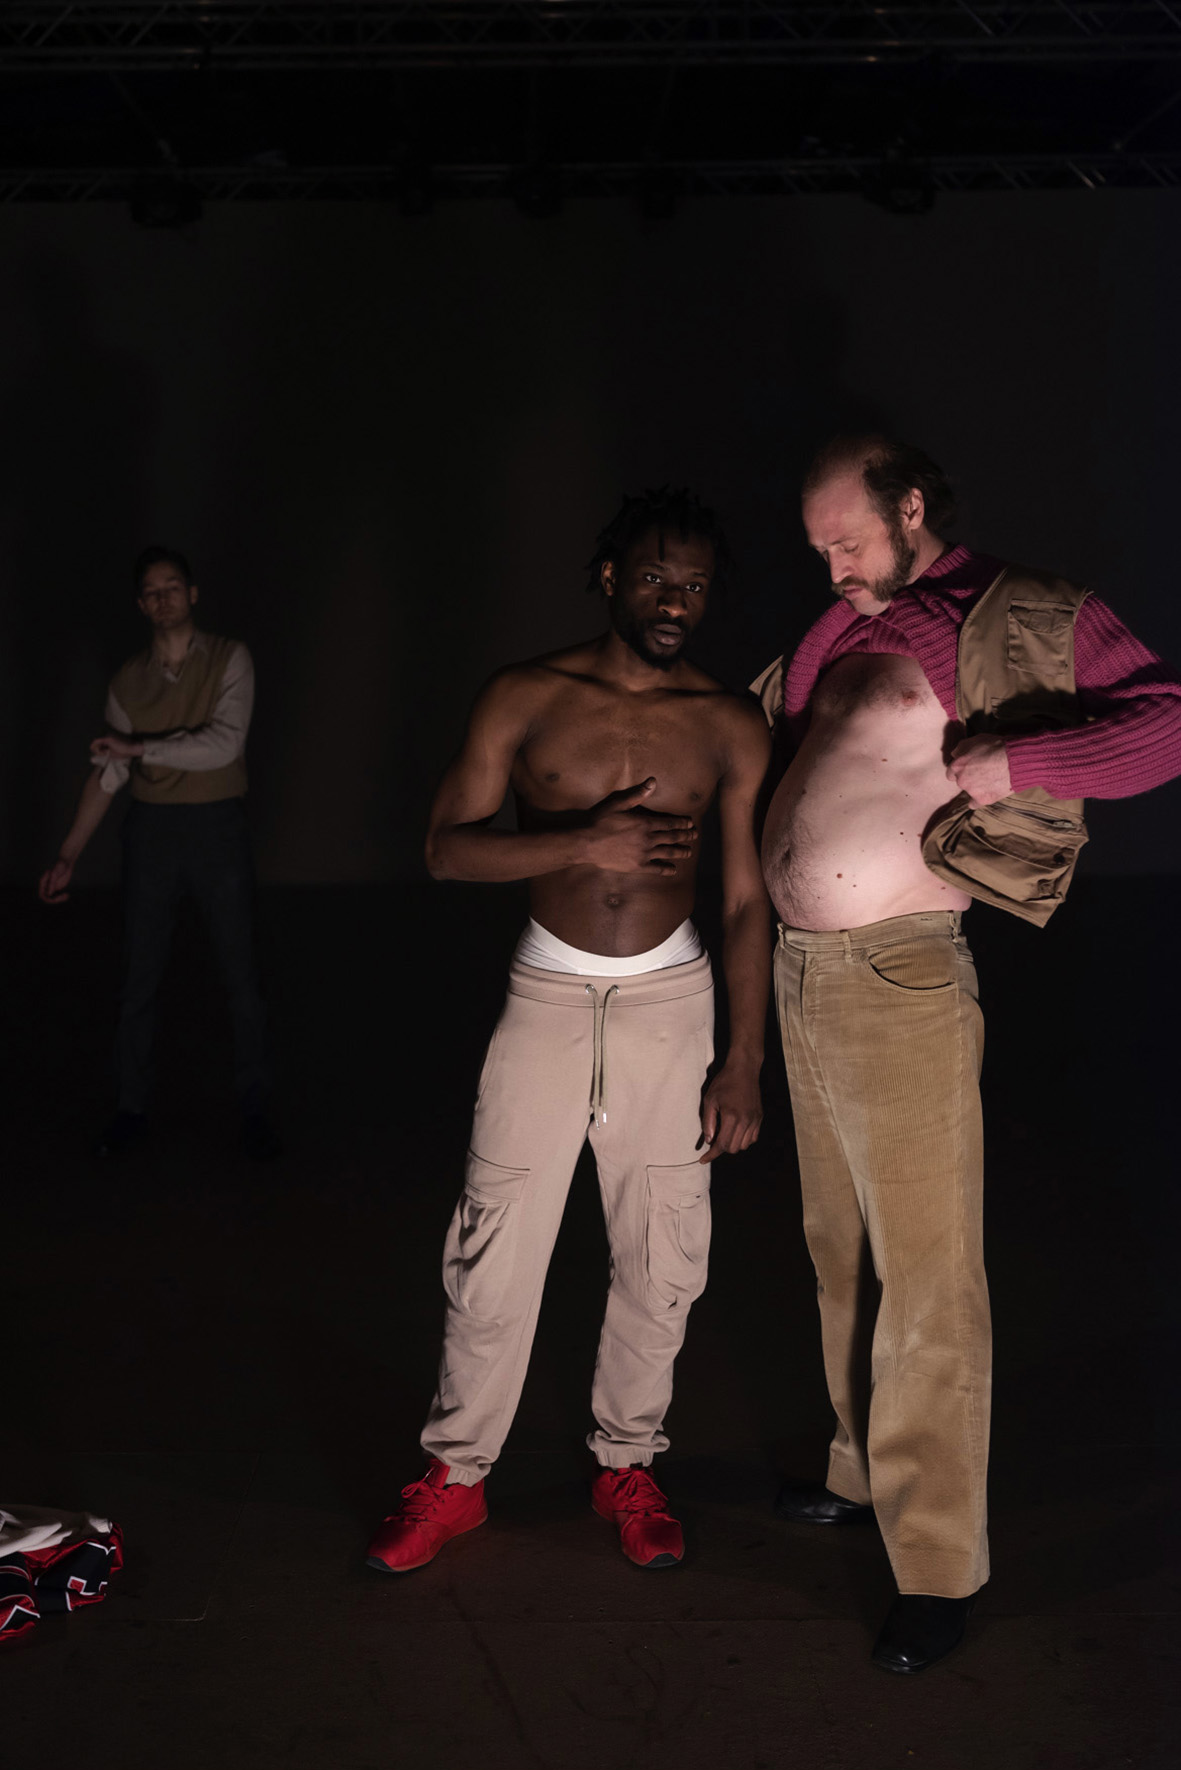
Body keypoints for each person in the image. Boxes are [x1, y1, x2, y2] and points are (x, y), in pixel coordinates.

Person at [757, 435, 1181, 1673]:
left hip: (900, 978)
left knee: (927, 1281)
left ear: (910, 507)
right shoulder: (838, 629)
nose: (832, 569)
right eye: (816, 551)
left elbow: (1165, 724)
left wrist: (1020, 762)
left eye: (846, 542)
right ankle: (855, 1468)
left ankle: (938, 1566)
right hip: (801, 973)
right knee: (838, 1254)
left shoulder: (1020, 609)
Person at [367, 488, 771, 1574]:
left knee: (663, 1252)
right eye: (653, 578)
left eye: (693, 585)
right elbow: (445, 851)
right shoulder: (525, 695)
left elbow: (744, 899)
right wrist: (582, 844)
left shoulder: (729, 721)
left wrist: (742, 1058)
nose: (673, 601)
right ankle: (455, 1478)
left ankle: (627, 1464)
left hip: (671, 1004)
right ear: (608, 577)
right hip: (546, 994)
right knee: (494, 1247)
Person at [38, 545, 279, 1161]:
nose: (163, 597)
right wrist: (68, 854)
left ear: (192, 594)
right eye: (151, 591)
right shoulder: (128, 681)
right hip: (152, 831)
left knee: (239, 971)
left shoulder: (229, 657)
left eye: (172, 586)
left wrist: (139, 749)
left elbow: (223, 745)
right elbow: (109, 773)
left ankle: (255, 1109)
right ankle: (130, 1108)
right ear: (141, 604)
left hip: (216, 825)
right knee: (138, 972)